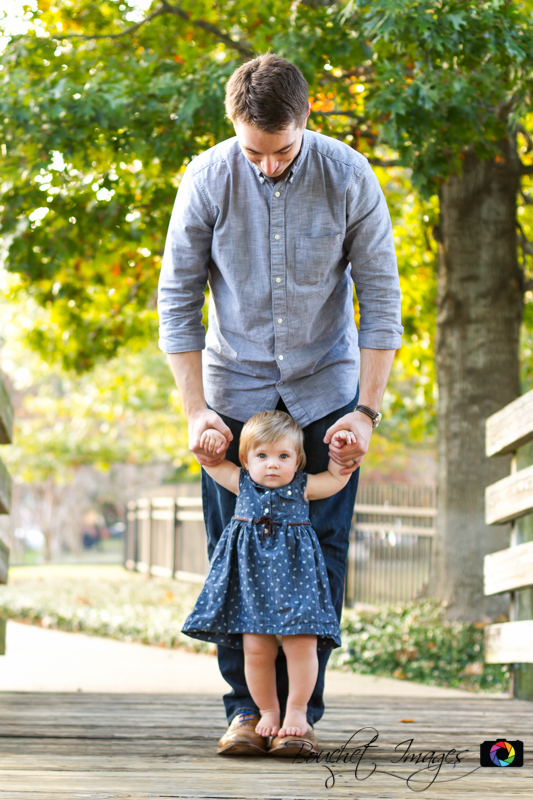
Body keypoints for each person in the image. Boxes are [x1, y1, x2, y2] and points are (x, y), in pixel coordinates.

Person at [157, 53, 403, 756]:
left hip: (325, 387)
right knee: (232, 554)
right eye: (253, 152)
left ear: (306, 118)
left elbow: (381, 299)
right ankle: (245, 712)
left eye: (282, 151)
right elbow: (177, 300)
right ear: (233, 127)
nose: (267, 165)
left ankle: (300, 718)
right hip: (232, 389)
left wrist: (365, 411)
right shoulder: (207, 177)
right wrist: (195, 411)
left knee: (321, 551)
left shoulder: (349, 174)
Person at [182, 412, 356, 753]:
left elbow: (336, 479)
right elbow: (211, 463)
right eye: (262, 455)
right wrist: (209, 445)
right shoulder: (241, 482)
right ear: (246, 460)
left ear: (298, 461)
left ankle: (297, 710)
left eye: (283, 456)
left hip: (298, 583)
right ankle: (268, 711)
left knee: (301, 645)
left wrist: (340, 456)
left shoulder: (303, 486)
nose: (272, 464)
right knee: (256, 649)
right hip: (252, 585)